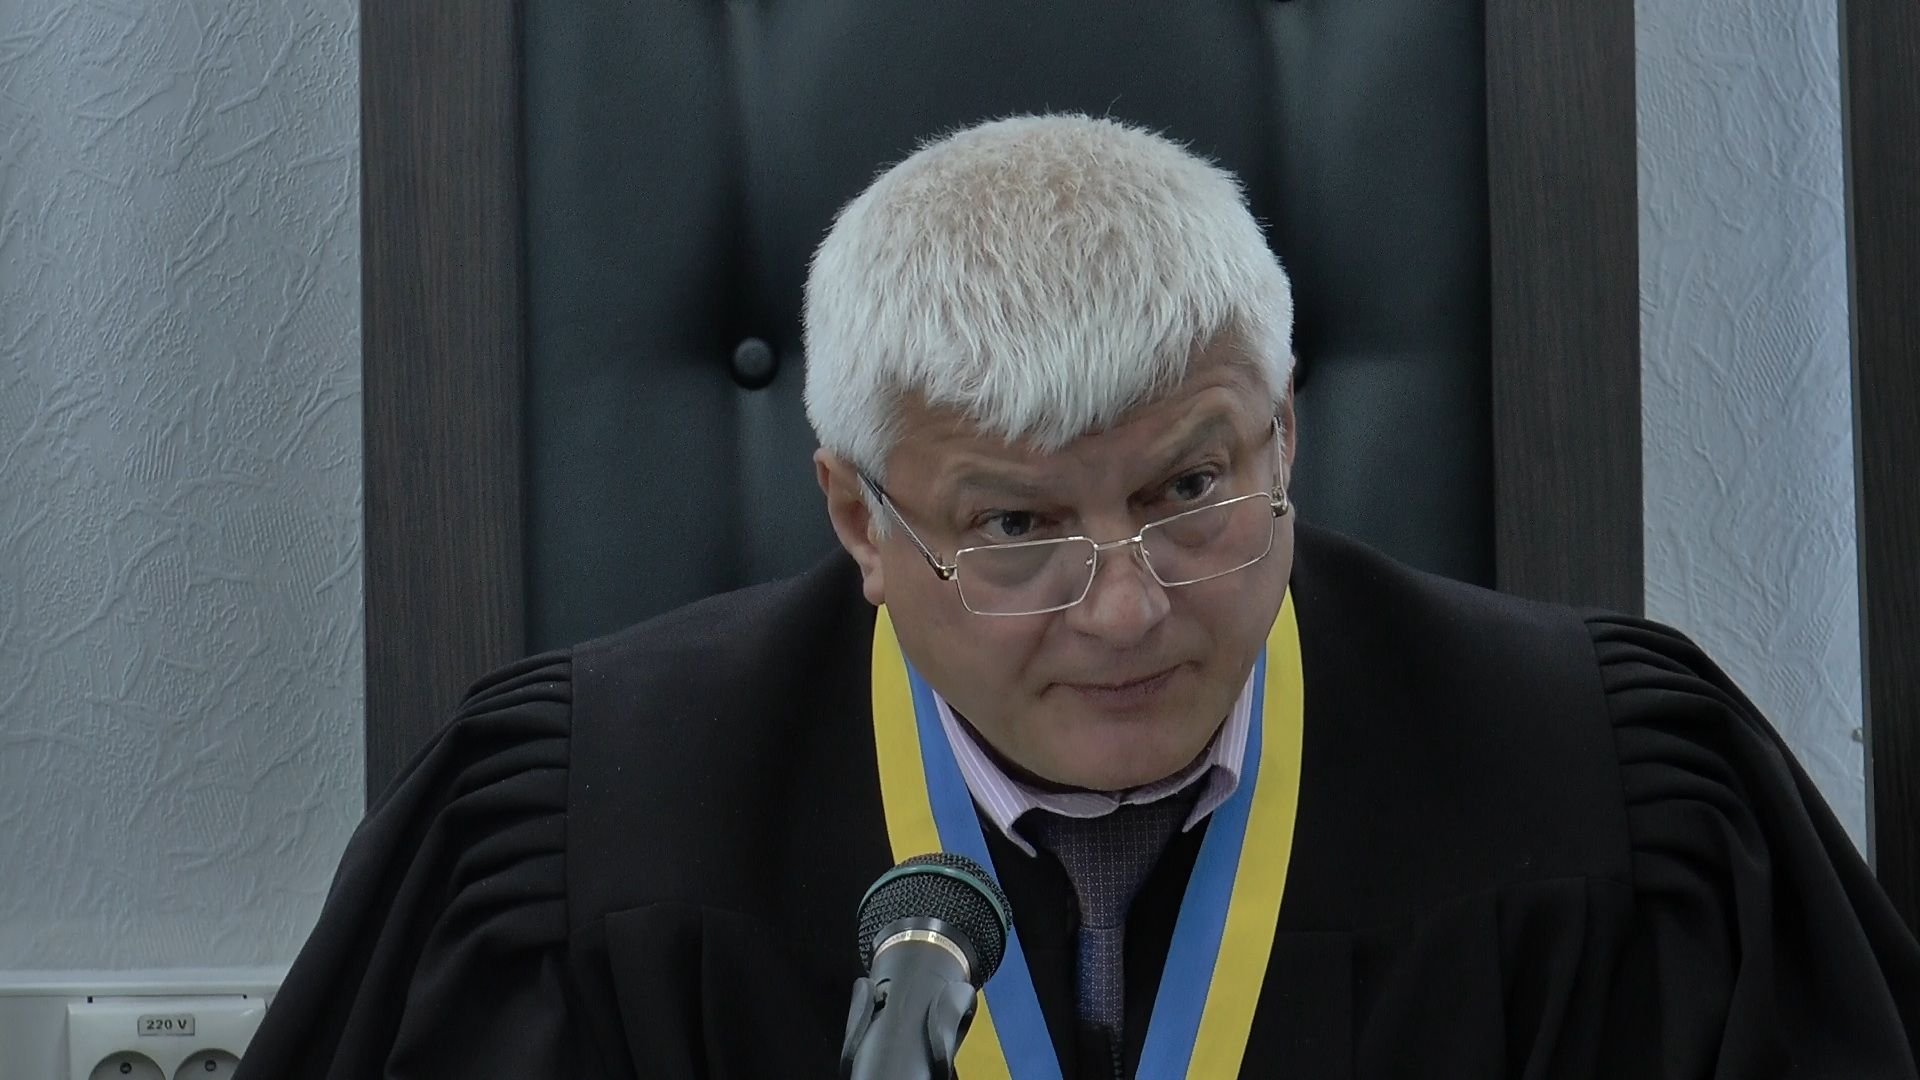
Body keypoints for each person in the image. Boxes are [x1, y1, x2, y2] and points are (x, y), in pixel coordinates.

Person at [237, 114, 1920, 1079]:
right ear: (859, 519)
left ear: (1285, 436)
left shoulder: (1604, 796)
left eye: (1190, 492)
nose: (1126, 613)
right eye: (1017, 527)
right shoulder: (587, 841)